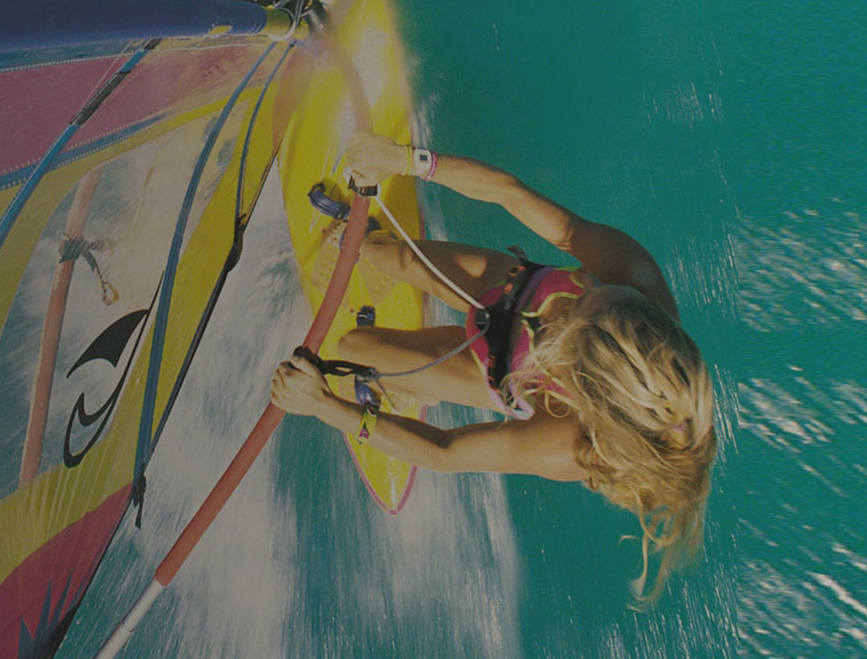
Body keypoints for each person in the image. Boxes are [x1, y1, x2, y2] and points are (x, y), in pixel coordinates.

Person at [269, 131, 716, 604]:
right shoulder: (635, 271)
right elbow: (512, 193)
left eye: (578, 311)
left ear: (578, 374)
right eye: (599, 289)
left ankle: (415, 388)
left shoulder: (567, 443)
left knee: (355, 346)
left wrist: (324, 405)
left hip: (501, 366)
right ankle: (374, 251)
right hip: (513, 288)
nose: (584, 289)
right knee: (382, 251)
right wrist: (405, 160)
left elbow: (445, 451)